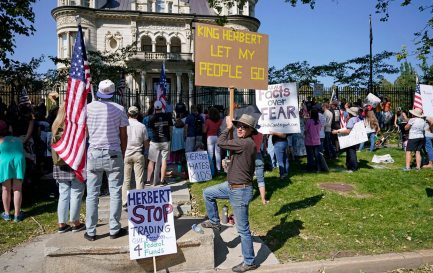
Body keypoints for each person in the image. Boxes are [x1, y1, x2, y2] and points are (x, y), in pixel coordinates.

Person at [201, 114, 258, 273]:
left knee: (243, 229)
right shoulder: (243, 142)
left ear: (251, 130)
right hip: (231, 186)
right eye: (238, 125)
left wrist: (228, 127)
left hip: (240, 190)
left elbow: (220, 142)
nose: (240, 128)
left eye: (244, 127)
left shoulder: (245, 143)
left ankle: (249, 261)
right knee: (208, 193)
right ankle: (215, 222)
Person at [84, 79, 129, 241]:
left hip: (94, 153)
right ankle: (114, 228)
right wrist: (123, 153)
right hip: (113, 152)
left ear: (99, 92)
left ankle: (90, 231)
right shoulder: (120, 109)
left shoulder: (88, 108)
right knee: (115, 192)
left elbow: (86, 132)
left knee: (92, 194)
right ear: (112, 93)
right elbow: (124, 135)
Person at [51, 104, 85, 233]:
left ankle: (62, 223)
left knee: (63, 193)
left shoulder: (55, 125)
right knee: (76, 192)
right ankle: (75, 222)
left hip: (59, 164)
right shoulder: (72, 124)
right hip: (73, 162)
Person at [122, 106, 148, 207]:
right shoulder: (142, 126)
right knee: (139, 179)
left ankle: (125, 201)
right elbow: (146, 142)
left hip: (126, 153)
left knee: (126, 179)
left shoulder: (124, 125)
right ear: (137, 115)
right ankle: (139, 200)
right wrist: (145, 152)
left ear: (128, 114)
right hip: (138, 153)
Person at [0, 120, 26, 222]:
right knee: (17, 189)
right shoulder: (18, 139)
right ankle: (17, 215)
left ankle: (6, 214)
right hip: (18, 161)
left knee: (5, 189)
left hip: (4, 162)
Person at [146, 100, 173, 186]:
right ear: (162, 107)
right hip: (165, 140)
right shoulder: (168, 116)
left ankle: (148, 180)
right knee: (164, 160)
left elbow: (150, 129)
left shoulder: (151, 118)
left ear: (154, 108)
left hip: (155, 141)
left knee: (151, 161)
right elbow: (170, 129)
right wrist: (170, 138)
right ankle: (162, 180)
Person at [332, 107, 360, 172]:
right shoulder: (357, 119)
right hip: (356, 139)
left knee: (351, 153)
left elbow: (348, 131)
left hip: (351, 140)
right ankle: (350, 165)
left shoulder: (351, 120)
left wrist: (337, 132)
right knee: (352, 152)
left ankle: (353, 167)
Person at [204, 107, 223, 173]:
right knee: (218, 154)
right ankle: (219, 169)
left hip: (210, 137)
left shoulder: (208, 121)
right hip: (217, 137)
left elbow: (204, 130)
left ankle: (211, 169)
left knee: (210, 154)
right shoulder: (220, 120)